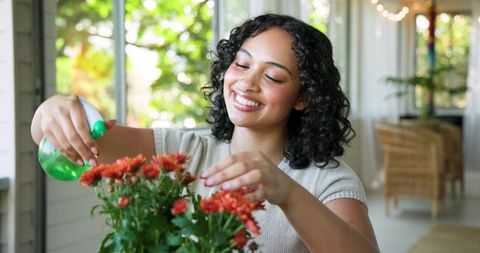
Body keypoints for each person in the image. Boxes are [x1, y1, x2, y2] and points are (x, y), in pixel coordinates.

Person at [31, 14, 378, 253]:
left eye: (272, 77)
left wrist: (287, 192)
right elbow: (63, 146)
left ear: (304, 97)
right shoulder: (185, 150)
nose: (246, 82)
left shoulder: (327, 181)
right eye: (241, 64)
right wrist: (51, 111)